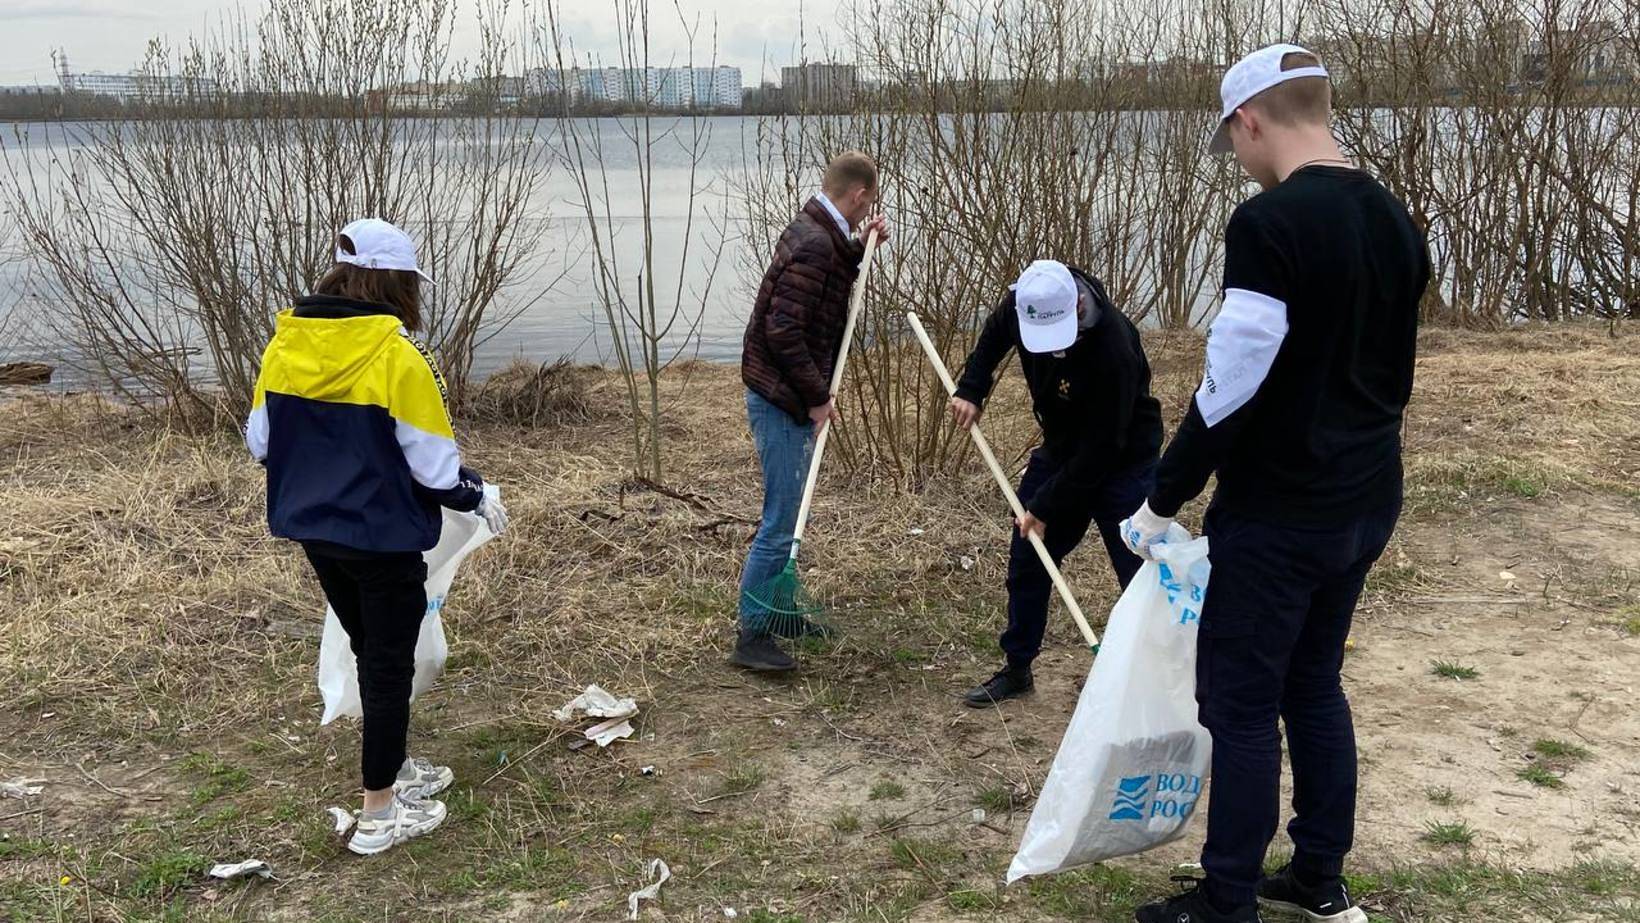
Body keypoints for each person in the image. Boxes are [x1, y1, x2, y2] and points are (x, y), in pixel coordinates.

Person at [1121, 45, 1428, 923]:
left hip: (1283, 510)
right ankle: (1319, 875)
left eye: (1233, 142)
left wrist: (1159, 498)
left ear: (1249, 120)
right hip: (1367, 497)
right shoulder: (1396, 219)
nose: (1240, 161)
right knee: (1315, 681)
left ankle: (1227, 898)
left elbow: (1231, 385)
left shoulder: (1270, 226)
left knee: (1243, 702)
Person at [245, 218, 510, 856]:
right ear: (397, 286)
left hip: (316, 531)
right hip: (385, 538)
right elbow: (435, 467)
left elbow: (260, 442)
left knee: (371, 653)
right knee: (389, 668)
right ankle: (379, 813)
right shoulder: (398, 356)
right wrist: (478, 495)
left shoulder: (286, 346)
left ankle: (396, 766)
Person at [949, 259, 1163, 707]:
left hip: (1121, 459)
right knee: (1029, 553)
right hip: (1063, 446)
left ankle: (1155, 679)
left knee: (1137, 570)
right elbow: (994, 335)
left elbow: (1102, 451)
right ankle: (1018, 667)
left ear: (1078, 306)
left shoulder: (1114, 348)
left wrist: (1045, 506)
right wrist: (972, 387)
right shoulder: (1029, 297)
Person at [735, 151, 889, 673]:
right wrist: (818, 396)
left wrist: (862, 248)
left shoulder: (816, 229)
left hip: (785, 391)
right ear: (860, 194)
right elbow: (783, 330)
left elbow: (821, 283)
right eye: (870, 199)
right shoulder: (816, 241)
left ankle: (778, 614)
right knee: (781, 518)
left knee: (788, 509)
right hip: (780, 397)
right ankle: (752, 633)